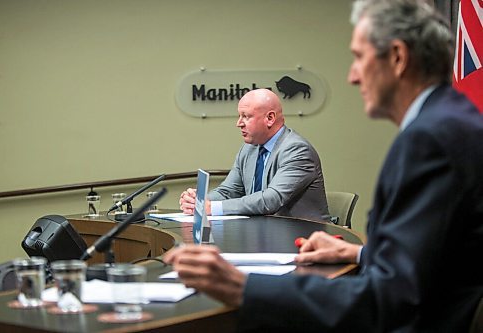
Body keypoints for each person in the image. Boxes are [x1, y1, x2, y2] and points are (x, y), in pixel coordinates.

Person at [164, 0, 483, 331]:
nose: (352, 76)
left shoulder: (430, 140)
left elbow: (390, 300)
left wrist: (243, 288)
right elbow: (427, 260)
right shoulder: (449, 122)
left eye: (359, 58)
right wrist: (358, 253)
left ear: (398, 58)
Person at [179, 88, 329, 221]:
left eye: (246, 116)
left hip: (304, 239)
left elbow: (271, 200)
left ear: (269, 118)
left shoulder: (297, 150)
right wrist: (199, 201)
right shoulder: (249, 148)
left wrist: (211, 208)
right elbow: (229, 191)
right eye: (239, 116)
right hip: (265, 234)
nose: (239, 123)